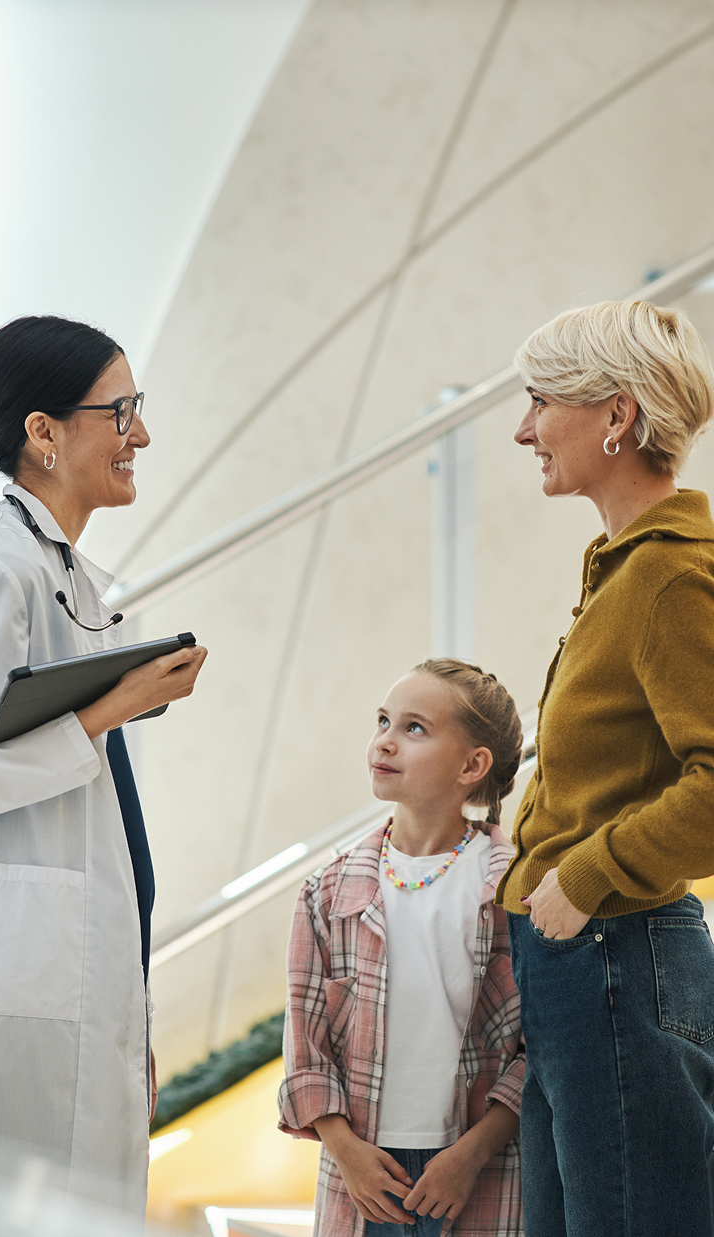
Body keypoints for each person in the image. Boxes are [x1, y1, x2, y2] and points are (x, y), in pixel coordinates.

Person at [497, 299, 714, 1237]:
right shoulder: (623, 571)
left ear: (617, 417)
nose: (522, 429)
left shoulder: (672, 577)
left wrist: (582, 876)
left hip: (619, 952)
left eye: (540, 400)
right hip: (583, 962)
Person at [0, 315, 207, 1212]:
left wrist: (131, 1012)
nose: (142, 436)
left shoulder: (69, 578)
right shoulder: (4, 566)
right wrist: (112, 707)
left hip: (77, 980)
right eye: (121, 412)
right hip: (26, 985)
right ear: (43, 432)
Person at [278, 658, 525, 1237]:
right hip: (363, 1177)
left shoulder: (514, 889)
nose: (385, 741)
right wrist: (348, 1155)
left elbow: (539, 1048)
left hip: (480, 1172)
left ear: (473, 765)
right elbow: (306, 1046)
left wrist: (470, 1155)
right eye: (384, 721)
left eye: (414, 728)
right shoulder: (327, 890)